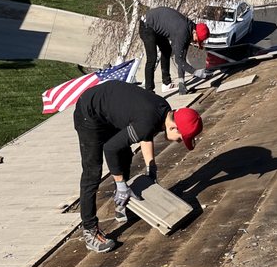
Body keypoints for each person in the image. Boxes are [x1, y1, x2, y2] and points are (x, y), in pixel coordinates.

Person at [73, 81, 203, 253]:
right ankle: (90, 231)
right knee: (92, 173)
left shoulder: (165, 110)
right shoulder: (148, 120)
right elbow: (110, 148)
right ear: (173, 126)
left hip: (108, 107)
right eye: (181, 138)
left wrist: (151, 167)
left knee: (125, 155)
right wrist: (120, 184)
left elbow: (146, 136)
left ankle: (121, 204)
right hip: (88, 112)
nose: (179, 141)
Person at [138, 6, 210, 95]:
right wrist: (196, 72)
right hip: (146, 25)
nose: (195, 42)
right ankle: (149, 92)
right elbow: (178, 60)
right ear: (195, 32)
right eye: (197, 39)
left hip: (155, 25)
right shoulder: (183, 33)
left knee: (167, 50)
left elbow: (181, 57)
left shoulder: (189, 29)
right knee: (152, 58)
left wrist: (181, 83)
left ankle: (166, 83)